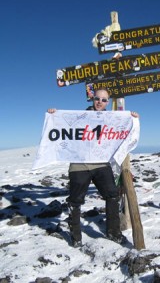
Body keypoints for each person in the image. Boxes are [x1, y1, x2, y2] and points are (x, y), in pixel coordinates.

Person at [48, 88, 139, 247]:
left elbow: (123, 132)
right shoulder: (81, 117)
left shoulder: (111, 119)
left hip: (101, 164)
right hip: (79, 165)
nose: (100, 102)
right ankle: (76, 237)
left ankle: (113, 232)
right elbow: (64, 126)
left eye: (104, 100)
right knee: (75, 201)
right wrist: (54, 116)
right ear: (92, 98)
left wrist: (132, 119)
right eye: (97, 98)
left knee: (112, 195)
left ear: (108, 102)